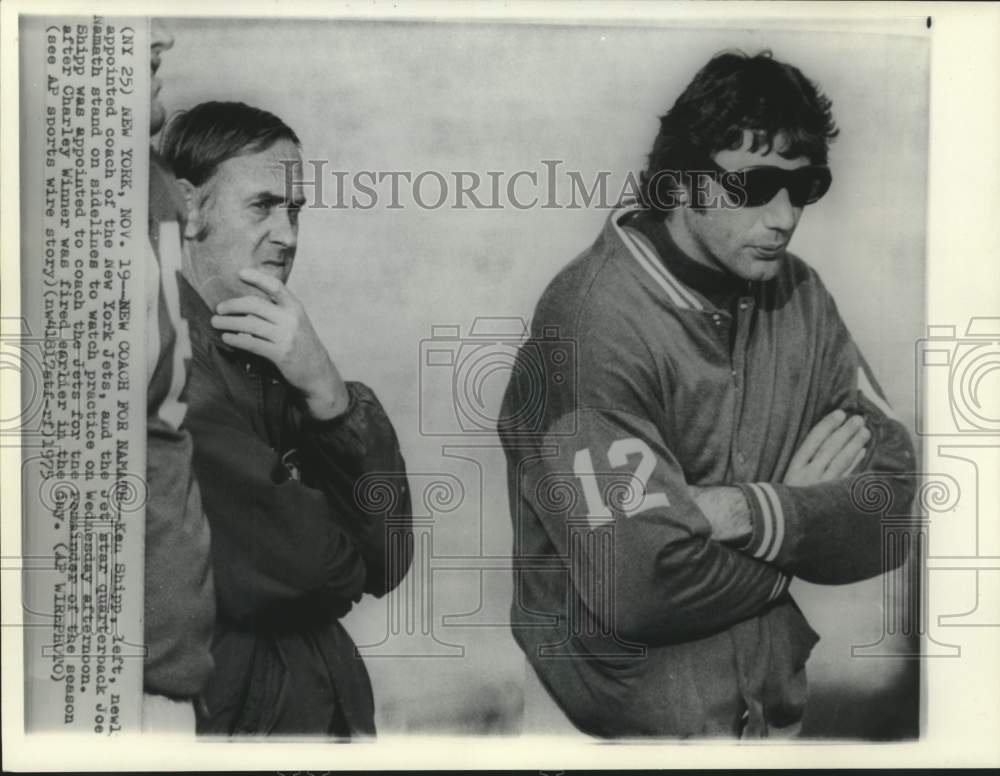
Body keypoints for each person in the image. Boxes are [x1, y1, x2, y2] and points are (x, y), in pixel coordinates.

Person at [497, 50, 917, 738]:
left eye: (806, 185)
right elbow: (639, 586)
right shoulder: (593, 320)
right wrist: (794, 528)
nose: (783, 216)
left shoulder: (800, 295)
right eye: (755, 184)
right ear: (683, 178)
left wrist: (743, 510)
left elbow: (894, 507)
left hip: (765, 714)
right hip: (611, 731)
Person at [160, 102, 413, 736]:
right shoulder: (170, 362)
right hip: (235, 728)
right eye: (263, 206)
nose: (289, 235)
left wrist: (329, 392)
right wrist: (338, 531)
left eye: (294, 209)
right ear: (189, 208)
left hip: (305, 716)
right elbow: (311, 572)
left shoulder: (272, 348)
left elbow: (387, 559)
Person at [142, 19, 216, 732]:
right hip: (107, 672)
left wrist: (334, 403)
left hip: (165, 672)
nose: (160, 32)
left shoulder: (149, 185)